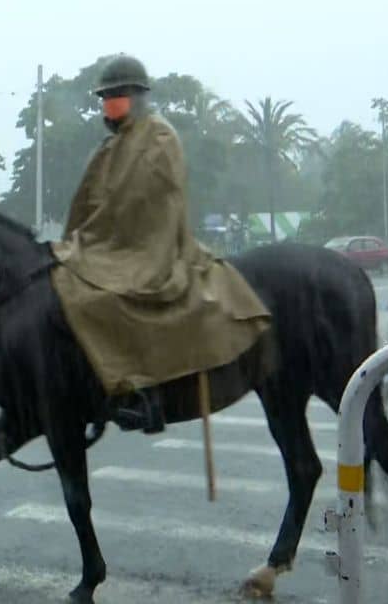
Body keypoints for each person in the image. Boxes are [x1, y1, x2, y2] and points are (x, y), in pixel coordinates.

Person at [49, 55, 272, 433]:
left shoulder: (159, 136)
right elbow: (87, 203)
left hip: (152, 244)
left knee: (108, 298)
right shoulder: (109, 148)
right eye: (105, 98)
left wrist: (109, 228)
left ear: (136, 97)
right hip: (110, 244)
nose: (109, 104)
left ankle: (142, 390)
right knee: (69, 284)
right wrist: (79, 242)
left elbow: (152, 200)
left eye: (116, 97)